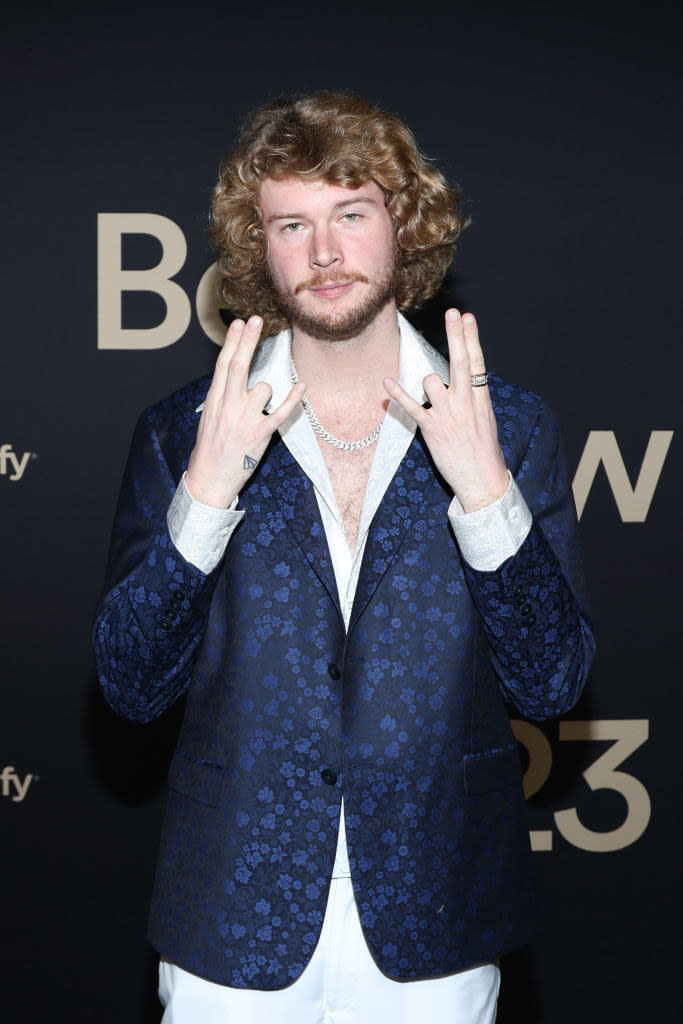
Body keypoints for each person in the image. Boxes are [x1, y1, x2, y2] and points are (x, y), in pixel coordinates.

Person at [94, 91, 595, 1023]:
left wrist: (485, 496)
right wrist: (203, 500)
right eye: (293, 224)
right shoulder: (183, 432)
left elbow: (552, 682)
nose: (323, 254)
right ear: (260, 247)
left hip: (434, 913)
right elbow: (128, 685)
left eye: (350, 215)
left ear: (401, 226)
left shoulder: (506, 426)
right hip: (229, 916)